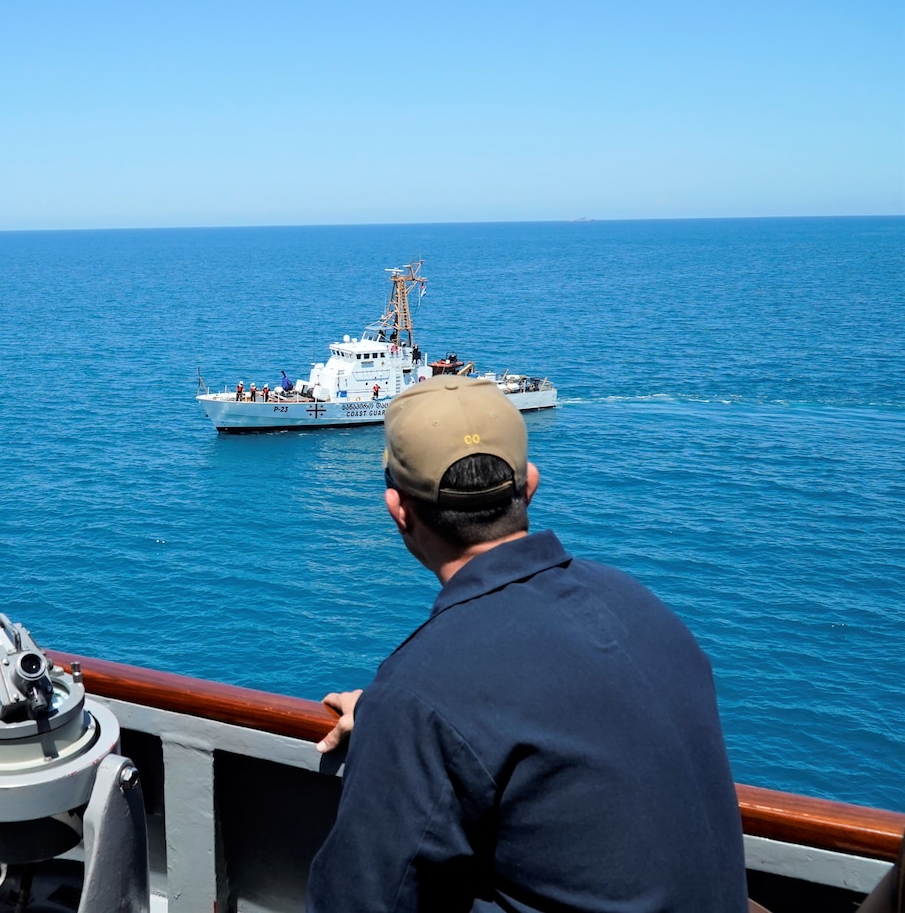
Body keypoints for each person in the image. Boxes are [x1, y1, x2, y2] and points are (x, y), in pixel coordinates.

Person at [308, 376, 747, 912]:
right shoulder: (641, 606)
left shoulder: (424, 690)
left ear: (398, 509)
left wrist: (399, 722)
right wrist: (392, 716)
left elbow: (360, 901)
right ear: (530, 484)